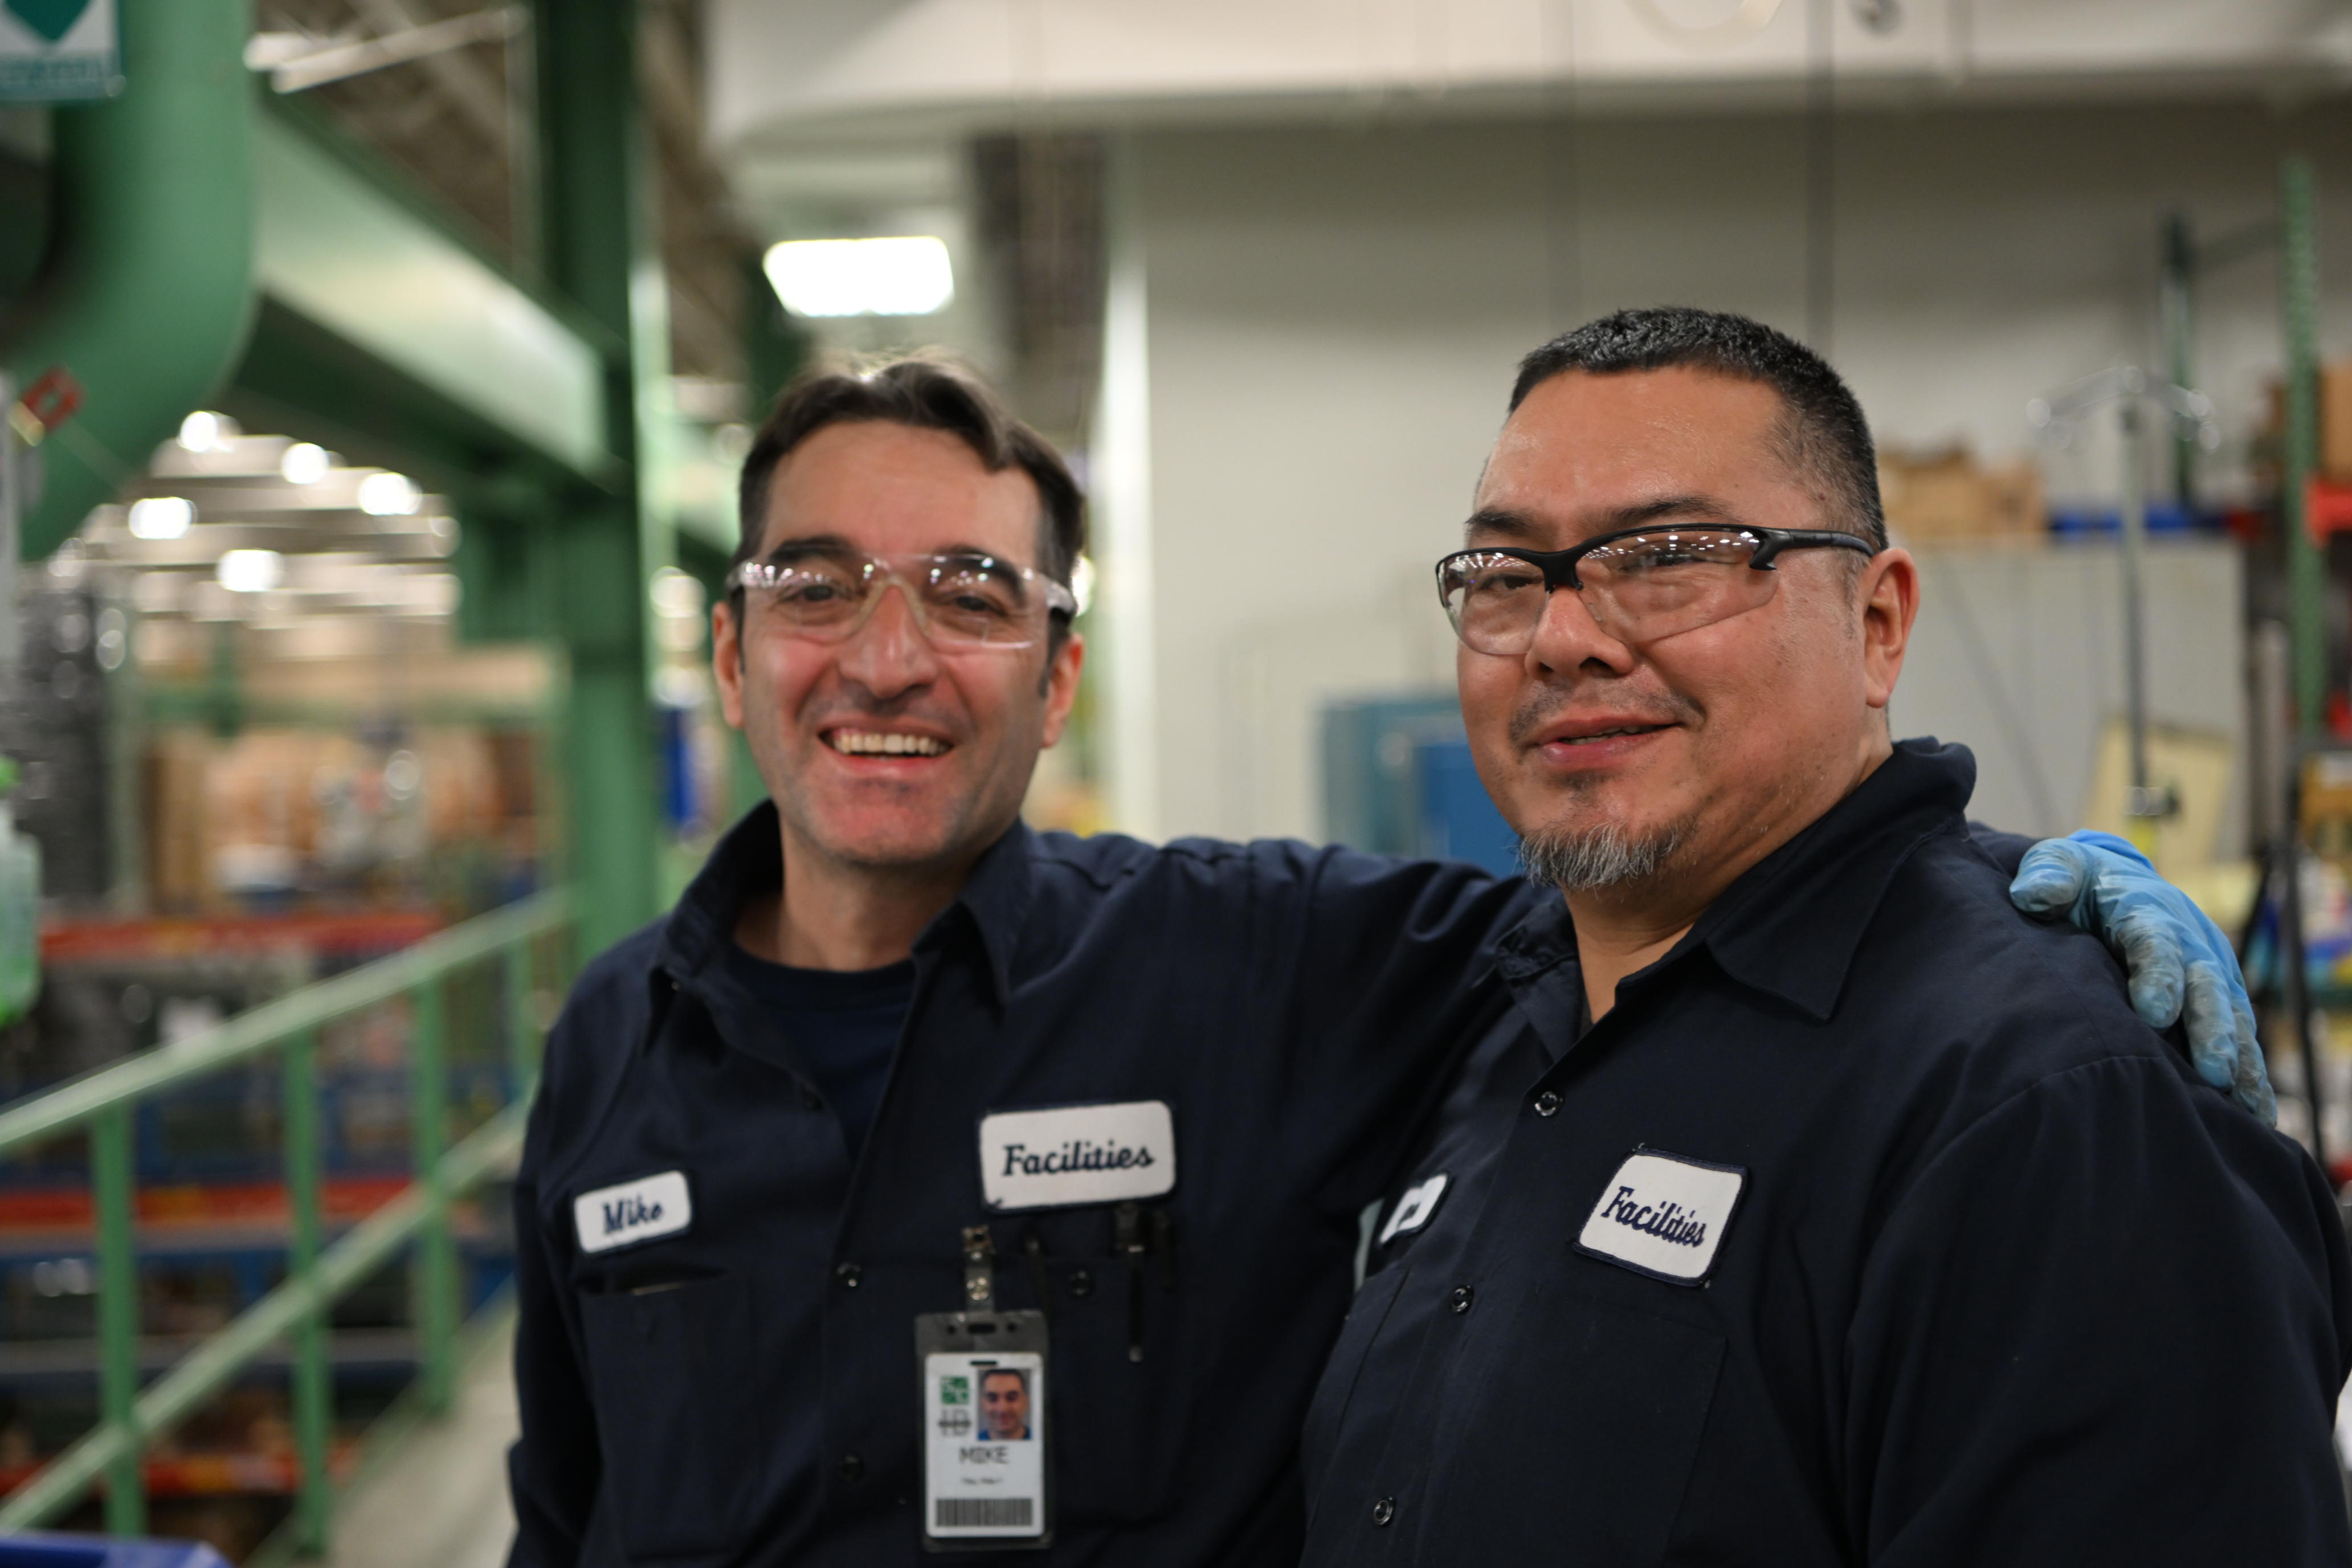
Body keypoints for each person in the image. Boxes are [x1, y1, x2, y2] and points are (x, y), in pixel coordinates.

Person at [504, 356, 2260, 1567]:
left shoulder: (1251, 964)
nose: (883, 657)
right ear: (731, 654)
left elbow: (1668, 895)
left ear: (1055, 679)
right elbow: (561, 1511)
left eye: (969, 593)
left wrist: (1985, 874)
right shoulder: (605, 1058)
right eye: (815, 587)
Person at [1300, 308, 2349, 1566]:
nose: (1563, 636)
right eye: (1507, 576)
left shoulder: (2047, 1107)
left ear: (1877, 624)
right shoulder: (1502, 1020)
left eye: (1670, 554)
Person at [977, 1369, 1032, 1442]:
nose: (1002, 1409)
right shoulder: (969, 1443)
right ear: (983, 1404)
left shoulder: (1043, 1439)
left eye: (1012, 1398)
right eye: (993, 1399)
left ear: (1025, 1402)